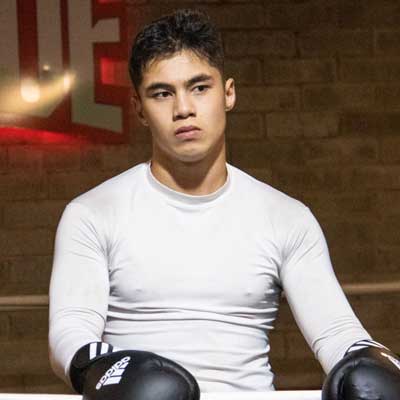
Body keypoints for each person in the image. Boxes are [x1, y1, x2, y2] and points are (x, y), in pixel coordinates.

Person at [48, 8, 400, 400]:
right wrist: (103, 369)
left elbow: (337, 333)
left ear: (228, 93)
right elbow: (71, 330)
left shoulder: (286, 218)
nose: (183, 109)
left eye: (199, 87)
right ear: (139, 109)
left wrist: (374, 365)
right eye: (162, 93)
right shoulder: (92, 213)